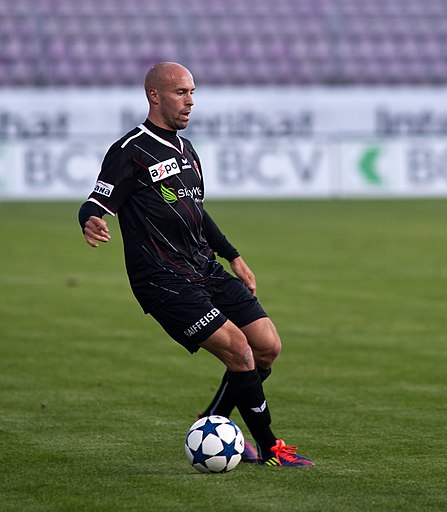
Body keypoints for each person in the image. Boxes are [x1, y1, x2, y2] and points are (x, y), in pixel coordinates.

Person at [78, 62, 314, 467]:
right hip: (163, 278)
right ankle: (272, 448)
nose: (190, 101)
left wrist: (233, 256)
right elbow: (95, 202)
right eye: (181, 93)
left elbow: (198, 213)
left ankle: (211, 422)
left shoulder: (187, 151)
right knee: (239, 352)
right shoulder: (130, 151)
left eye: (192, 93)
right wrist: (90, 220)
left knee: (266, 348)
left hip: (204, 267)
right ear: (155, 96)